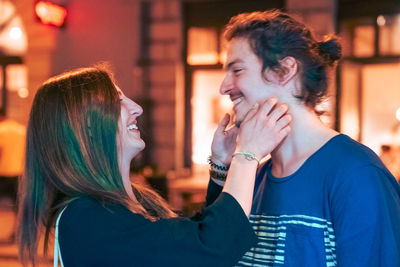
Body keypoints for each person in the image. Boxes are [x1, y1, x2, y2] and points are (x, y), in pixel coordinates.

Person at [17, 65, 292, 267]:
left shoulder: (132, 203)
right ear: (85, 127)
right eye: (117, 102)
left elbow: (190, 242)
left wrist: (221, 165)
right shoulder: (85, 219)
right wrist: (248, 154)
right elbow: (210, 251)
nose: (136, 108)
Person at [207, 9, 400, 266]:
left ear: (285, 70)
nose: (224, 87)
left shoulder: (357, 173)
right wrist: (222, 166)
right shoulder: (251, 176)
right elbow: (211, 251)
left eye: (237, 70)